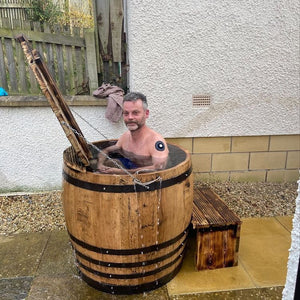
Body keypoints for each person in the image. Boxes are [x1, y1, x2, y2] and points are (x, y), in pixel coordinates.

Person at [97, 92, 169, 174]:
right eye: (126, 113)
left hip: (147, 181)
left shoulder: (155, 141)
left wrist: (122, 172)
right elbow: (106, 151)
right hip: (129, 168)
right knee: (110, 163)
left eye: (135, 113)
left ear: (146, 114)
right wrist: (100, 165)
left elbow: (159, 168)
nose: (130, 117)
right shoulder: (125, 137)